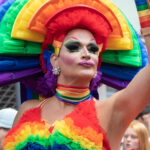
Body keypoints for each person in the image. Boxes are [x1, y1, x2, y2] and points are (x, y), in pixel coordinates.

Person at [2, 1, 150, 150]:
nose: (86, 54)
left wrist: (143, 6)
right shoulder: (27, 109)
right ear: (54, 60)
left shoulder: (111, 111)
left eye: (93, 49)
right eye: (74, 47)